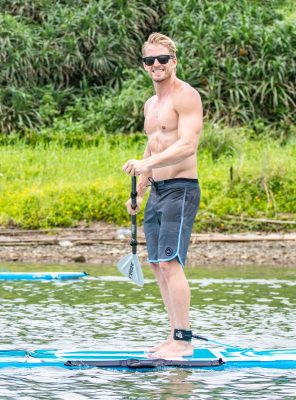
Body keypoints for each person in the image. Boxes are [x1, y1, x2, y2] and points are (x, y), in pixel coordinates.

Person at [122, 33, 203, 359]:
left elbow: (187, 145)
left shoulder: (187, 96)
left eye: (163, 59)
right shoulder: (150, 105)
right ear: (144, 66)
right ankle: (172, 336)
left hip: (181, 188)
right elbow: (152, 145)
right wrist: (140, 189)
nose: (157, 65)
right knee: (156, 264)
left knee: (170, 262)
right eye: (150, 60)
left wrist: (147, 164)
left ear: (174, 61)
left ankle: (183, 339)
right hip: (158, 190)